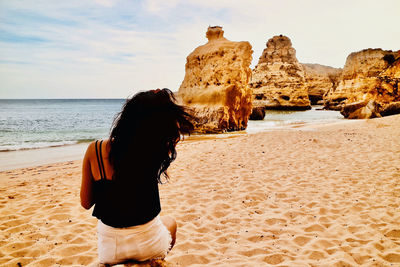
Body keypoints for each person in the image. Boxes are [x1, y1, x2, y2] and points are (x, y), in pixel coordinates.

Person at [80, 89, 194, 265]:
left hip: (111, 251)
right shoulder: (154, 151)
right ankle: (153, 260)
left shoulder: (94, 150)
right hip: (150, 245)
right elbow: (171, 130)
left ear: (125, 118)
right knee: (171, 223)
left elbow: (86, 203)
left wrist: (107, 188)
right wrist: (160, 101)